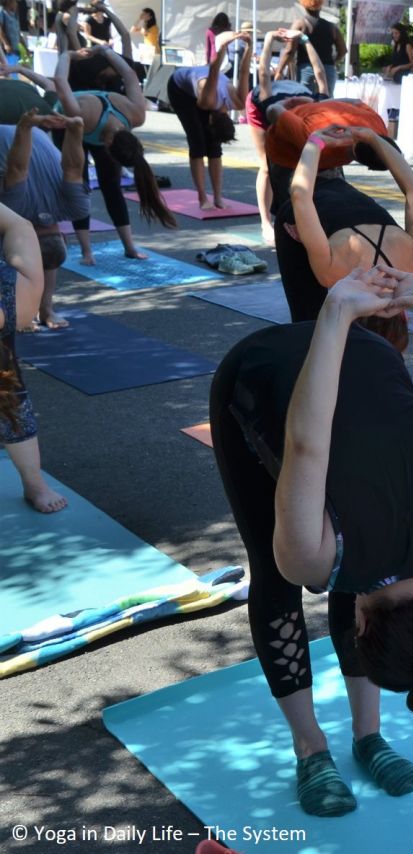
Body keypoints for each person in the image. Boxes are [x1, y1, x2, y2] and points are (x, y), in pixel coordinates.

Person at [209, 265, 413, 817]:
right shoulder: (312, 557)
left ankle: (368, 737)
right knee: (277, 575)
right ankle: (310, 747)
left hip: (367, 349)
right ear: (361, 627)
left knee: (347, 559)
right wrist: (335, 317)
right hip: (262, 374)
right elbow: (304, 447)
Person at [275, 123, 413, 322]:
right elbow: (300, 194)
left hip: (335, 195)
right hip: (327, 197)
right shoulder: (333, 272)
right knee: (308, 318)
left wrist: (373, 139)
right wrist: (315, 142)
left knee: (309, 318)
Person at [51, 46, 177, 262]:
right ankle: (86, 251)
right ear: (108, 144)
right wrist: (67, 55)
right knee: (79, 186)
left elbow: (129, 74)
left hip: (100, 118)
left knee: (112, 187)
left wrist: (107, 52)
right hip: (69, 125)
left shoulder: (136, 116)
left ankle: (129, 247)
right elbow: (61, 83)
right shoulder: (79, 114)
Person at [0, 199, 67, 512]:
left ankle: (34, 484)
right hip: (16, 299)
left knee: (10, 397)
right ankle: (35, 484)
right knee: (9, 396)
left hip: (14, 299)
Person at [0, 109, 89, 330]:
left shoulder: (76, 209)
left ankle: (44, 308)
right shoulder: (16, 211)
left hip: (36, 133)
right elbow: (18, 168)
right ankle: (33, 307)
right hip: (22, 135)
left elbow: (74, 168)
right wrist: (24, 127)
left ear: (62, 236)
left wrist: (75, 130)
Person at [247, 28, 328, 242]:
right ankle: (266, 223)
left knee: (298, 165)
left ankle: (302, 219)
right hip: (262, 99)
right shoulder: (269, 105)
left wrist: (305, 38)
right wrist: (269, 40)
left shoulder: (319, 105)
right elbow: (263, 74)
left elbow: (320, 73)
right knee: (266, 165)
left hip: (294, 94)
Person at [168, 30, 253, 211]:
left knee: (214, 148)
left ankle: (217, 197)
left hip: (202, 84)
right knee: (197, 143)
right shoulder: (209, 100)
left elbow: (245, 72)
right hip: (180, 89)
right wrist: (222, 47)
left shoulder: (238, 102)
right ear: (213, 121)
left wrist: (249, 47)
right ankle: (201, 198)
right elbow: (214, 70)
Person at [280, 0, 345, 95]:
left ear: (303, 5)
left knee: (306, 103)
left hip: (307, 69)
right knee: (327, 104)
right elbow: (343, 51)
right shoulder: (332, 27)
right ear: (321, 5)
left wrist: (279, 70)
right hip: (328, 70)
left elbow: (290, 51)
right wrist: (332, 63)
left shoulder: (299, 24)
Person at [0, 0, 21, 67]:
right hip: (7, 50)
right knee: (10, 70)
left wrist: (25, 47)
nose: (17, 4)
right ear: (9, 2)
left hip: (15, 48)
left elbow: (17, 32)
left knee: (14, 69)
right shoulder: (2, 12)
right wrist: (6, 44)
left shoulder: (15, 15)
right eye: (16, 2)